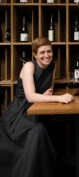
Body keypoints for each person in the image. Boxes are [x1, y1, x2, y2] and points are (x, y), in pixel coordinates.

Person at [0, 37, 74, 177]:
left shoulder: (52, 66)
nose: (47, 55)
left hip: (37, 108)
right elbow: (30, 96)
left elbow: (47, 89)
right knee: (38, 130)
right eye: (42, 52)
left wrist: (46, 94)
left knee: (50, 128)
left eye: (49, 51)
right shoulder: (29, 65)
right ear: (34, 54)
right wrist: (59, 98)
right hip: (20, 111)